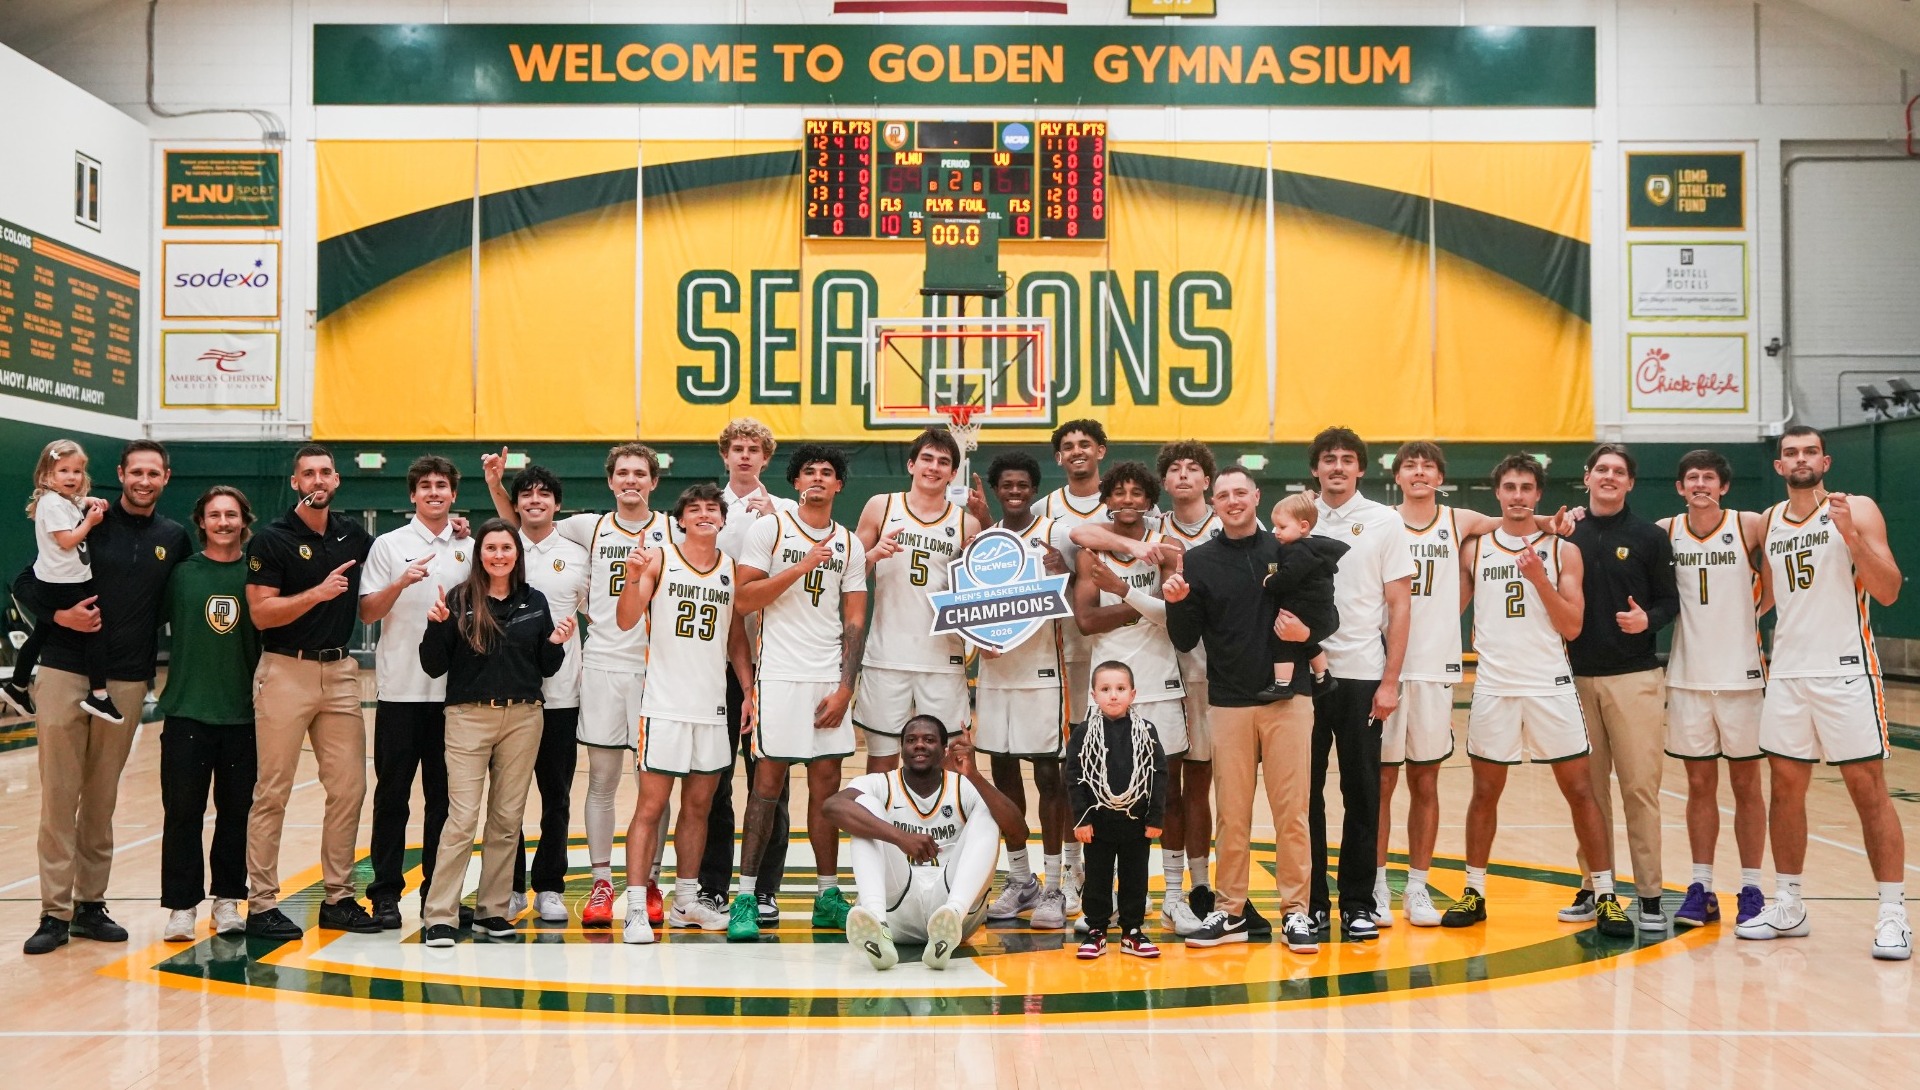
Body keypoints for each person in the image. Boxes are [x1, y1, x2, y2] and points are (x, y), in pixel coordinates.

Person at [1374, 442, 1569, 928]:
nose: (1419, 473)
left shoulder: (1459, 521)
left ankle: (1417, 887)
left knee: (1426, 780)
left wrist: (1552, 524)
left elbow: (1515, 521)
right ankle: (1376, 886)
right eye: (1410, 466)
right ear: (1397, 476)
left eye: (1428, 467)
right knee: (1379, 784)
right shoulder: (1379, 522)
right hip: (1383, 667)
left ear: (1440, 477)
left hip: (1437, 669)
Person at [485, 442, 675, 929]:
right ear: (610, 482)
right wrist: (494, 488)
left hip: (660, 670)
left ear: (654, 482)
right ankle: (601, 882)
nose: (631, 480)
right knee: (602, 782)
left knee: (654, 786)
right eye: (622, 473)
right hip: (602, 666)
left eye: (640, 473)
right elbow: (522, 525)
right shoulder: (587, 527)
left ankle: (651, 878)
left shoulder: (673, 530)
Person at [1739, 426, 1909, 960]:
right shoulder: (1769, 521)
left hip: (1846, 671)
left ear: (1826, 460)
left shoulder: (1855, 508)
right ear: (1779, 466)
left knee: (1867, 788)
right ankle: (1789, 904)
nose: (1800, 459)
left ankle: (1892, 914)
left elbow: (1888, 589)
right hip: (1788, 673)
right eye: (1790, 452)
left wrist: (1851, 537)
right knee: (1786, 789)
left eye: (1810, 451)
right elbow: (1762, 599)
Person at [1446, 453, 1632, 939]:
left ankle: (1607, 894)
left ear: (1538, 495)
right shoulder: (1476, 549)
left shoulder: (1561, 551)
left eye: (1527, 487)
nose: (1518, 496)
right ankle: (1474, 891)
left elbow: (1571, 625)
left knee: (1580, 792)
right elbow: (1449, 612)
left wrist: (1538, 579)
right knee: (1485, 793)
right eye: (1509, 487)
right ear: (1498, 494)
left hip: (1550, 684)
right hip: (1494, 686)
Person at [20, 440, 189, 956]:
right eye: (135, 471)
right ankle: (55, 911)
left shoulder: (174, 537)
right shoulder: (86, 516)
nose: (143, 480)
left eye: (152, 472)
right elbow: (27, 582)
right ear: (121, 474)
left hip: (127, 680)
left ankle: (91, 904)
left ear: (165, 478)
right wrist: (58, 617)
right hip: (64, 671)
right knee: (58, 795)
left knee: (101, 797)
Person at [1164, 465, 1318, 953]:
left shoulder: (1289, 552)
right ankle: (1230, 912)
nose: (1232, 501)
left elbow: (1325, 611)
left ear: (1257, 496)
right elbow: (1186, 637)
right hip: (1229, 702)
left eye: (1241, 493)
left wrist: (1308, 635)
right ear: (1214, 502)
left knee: (1292, 812)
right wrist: (1176, 602)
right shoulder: (1199, 561)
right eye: (1223, 494)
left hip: (1289, 701)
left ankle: (1296, 913)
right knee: (1232, 814)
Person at [728, 445, 869, 940]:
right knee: (766, 787)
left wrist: (846, 686)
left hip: (827, 677)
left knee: (826, 787)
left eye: (827, 473)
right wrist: (801, 565)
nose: (817, 478)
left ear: (839, 487)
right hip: (779, 676)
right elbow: (743, 600)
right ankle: (744, 897)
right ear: (795, 482)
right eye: (808, 471)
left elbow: (854, 618)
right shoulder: (770, 530)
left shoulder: (849, 543)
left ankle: (827, 894)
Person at [242, 444, 377, 941]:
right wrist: (317, 593)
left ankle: (338, 898)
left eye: (325, 472)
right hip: (285, 670)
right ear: (296, 482)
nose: (317, 480)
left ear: (336, 481)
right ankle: (260, 905)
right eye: (308, 474)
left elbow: (373, 595)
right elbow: (261, 614)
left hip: (340, 672)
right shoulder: (272, 540)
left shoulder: (353, 536)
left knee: (349, 788)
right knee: (272, 791)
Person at [419, 520, 571, 946]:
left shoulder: (534, 601)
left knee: (506, 821)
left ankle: (492, 911)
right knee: (462, 818)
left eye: (507, 547)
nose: (499, 554)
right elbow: (434, 665)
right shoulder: (459, 599)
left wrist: (556, 642)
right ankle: (441, 915)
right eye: (491, 547)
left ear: (517, 555)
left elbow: (544, 666)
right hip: (468, 717)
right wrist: (436, 625)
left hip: (523, 718)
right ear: (479, 554)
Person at [613, 484, 752, 942]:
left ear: (722, 520)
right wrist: (633, 578)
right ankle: (635, 906)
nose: (705, 515)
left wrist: (748, 691)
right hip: (664, 705)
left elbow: (735, 639)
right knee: (651, 806)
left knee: (700, 807)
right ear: (682, 520)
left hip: (712, 708)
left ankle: (686, 901)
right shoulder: (659, 557)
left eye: (713, 509)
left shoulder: (731, 569)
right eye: (695, 509)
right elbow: (627, 619)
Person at [1562, 444, 1679, 933]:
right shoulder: (1566, 532)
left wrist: (1646, 619)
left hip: (1634, 679)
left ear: (1630, 483)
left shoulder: (1650, 537)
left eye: (1619, 472)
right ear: (1587, 477)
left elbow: (1670, 601)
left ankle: (1650, 895)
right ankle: (1594, 886)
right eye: (1601, 470)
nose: (1609, 477)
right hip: (1575, 680)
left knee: (1638, 789)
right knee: (1588, 792)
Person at [1305, 427, 1412, 943]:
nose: (1338, 467)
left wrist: (1390, 681)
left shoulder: (1385, 521)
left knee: (1362, 792)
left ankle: (1357, 903)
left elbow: (1399, 605)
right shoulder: (1298, 518)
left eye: (1348, 460)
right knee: (1304, 796)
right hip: (1305, 677)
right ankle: (1312, 903)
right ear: (1316, 469)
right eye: (1329, 460)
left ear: (1361, 469)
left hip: (1364, 675)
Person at [1071, 462, 1187, 933]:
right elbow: (1085, 622)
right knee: (1098, 791)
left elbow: (1175, 620)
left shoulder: (1169, 548)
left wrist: (1120, 594)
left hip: (1159, 682)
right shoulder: (1091, 549)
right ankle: (1097, 900)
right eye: (1118, 492)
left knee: (1167, 794)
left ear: (1150, 499)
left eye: (1137, 493)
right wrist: (1143, 606)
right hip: (1106, 687)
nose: (1127, 500)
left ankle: (1175, 895)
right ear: (1107, 498)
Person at [1658, 449, 1770, 929]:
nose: (1700, 483)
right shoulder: (1666, 529)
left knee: (1747, 785)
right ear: (1680, 488)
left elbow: (1776, 578)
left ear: (1724, 486)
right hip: (1687, 676)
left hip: (1742, 677)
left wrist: (1749, 618)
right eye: (1691, 478)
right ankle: (1700, 886)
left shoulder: (1748, 525)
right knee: (1698, 785)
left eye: (1709, 477)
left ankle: (1751, 886)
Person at [359, 456, 471, 929]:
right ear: (412, 495)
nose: (433, 493)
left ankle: (437, 894)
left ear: (453, 495)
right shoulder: (389, 545)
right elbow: (366, 613)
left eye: (441, 486)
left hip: (454, 695)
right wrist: (400, 583)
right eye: (424, 486)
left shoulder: (469, 545)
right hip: (401, 692)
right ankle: (385, 893)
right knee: (392, 798)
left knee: (444, 802)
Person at [829, 716, 1025, 971]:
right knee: (863, 807)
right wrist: (900, 838)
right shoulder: (882, 783)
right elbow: (832, 806)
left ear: (945, 750)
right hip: (897, 905)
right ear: (902, 750)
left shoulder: (963, 785)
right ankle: (877, 926)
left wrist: (975, 775)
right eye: (911, 740)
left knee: (989, 810)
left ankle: (951, 918)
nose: (919, 745)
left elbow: (1019, 832)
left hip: (955, 906)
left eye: (929, 740)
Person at [701, 418, 797, 924]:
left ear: (766, 458)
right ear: (724, 455)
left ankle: (764, 887)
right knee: (714, 781)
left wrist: (773, 521)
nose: (744, 455)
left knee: (770, 781)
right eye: (736, 448)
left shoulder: (787, 511)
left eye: (753, 449)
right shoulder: (702, 510)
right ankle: (715, 885)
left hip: (774, 660)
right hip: (713, 663)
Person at [158, 486, 260, 943]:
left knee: (236, 813)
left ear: (244, 521)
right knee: (182, 811)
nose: (223, 522)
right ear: (201, 521)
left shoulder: (258, 574)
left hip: (244, 715)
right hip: (187, 710)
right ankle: (182, 906)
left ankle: (226, 900)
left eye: (231, 515)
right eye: (215, 515)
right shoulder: (180, 574)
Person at [977, 452, 1073, 931]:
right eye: (1006, 484)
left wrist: (1064, 571)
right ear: (997, 489)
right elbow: (967, 603)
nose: (1015, 491)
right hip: (995, 675)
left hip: (1042, 673)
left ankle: (1055, 885)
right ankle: (1021, 880)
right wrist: (977, 634)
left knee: (1050, 779)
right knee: (1002, 776)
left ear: (1034, 489)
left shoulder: (1054, 532)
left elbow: (1073, 599)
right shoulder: (983, 540)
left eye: (1023, 484)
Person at [853, 427, 979, 777]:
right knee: (880, 760)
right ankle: (878, 832)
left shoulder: (967, 524)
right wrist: (873, 555)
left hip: (942, 657)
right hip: (886, 656)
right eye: (926, 458)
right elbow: (848, 578)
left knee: (954, 759)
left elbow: (976, 597)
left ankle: (952, 831)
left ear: (954, 473)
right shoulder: (881, 506)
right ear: (911, 464)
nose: (933, 467)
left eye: (943, 462)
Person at [1032, 418, 1115, 916]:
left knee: (1113, 766)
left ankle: (1109, 873)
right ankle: (1069, 870)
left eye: (1085, 444)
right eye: (1068, 447)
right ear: (1059, 458)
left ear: (1100, 450)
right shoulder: (1045, 510)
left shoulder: (1127, 503)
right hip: (1063, 652)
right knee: (1068, 769)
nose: (1077, 451)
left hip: (1118, 651)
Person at [503, 465, 589, 925]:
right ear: (515, 504)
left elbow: (605, 609)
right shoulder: (500, 548)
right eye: (526, 494)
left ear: (557, 503)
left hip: (561, 695)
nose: (535, 500)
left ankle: (550, 886)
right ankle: (511, 886)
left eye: (544, 494)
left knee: (555, 796)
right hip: (511, 692)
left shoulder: (577, 553)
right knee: (509, 797)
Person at [7, 439, 120, 722]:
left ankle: (17, 686)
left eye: (77, 471)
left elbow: (74, 504)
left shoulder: (64, 501)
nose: (71, 477)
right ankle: (99, 695)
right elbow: (68, 540)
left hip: (61, 579)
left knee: (42, 633)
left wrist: (89, 502)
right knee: (94, 627)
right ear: (47, 476)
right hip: (61, 583)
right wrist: (90, 522)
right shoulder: (52, 503)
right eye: (63, 471)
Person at [1067, 661, 1168, 960]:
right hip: (1098, 825)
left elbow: (1158, 774)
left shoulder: (1146, 731)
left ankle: (1132, 932)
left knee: (1135, 878)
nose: (1113, 695)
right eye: (1106, 689)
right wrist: (1082, 819)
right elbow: (1074, 777)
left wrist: (1156, 818)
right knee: (1097, 878)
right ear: (1094, 695)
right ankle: (1096, 930)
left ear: (1133, 694)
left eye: (1121, 689)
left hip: (1136, 824)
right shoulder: (1084, 733)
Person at [1258, 492, 1347, 701]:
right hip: (1319, 608)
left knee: (1283, 638)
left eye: (1282, 527)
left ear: (1303, 526)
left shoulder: (1299, 551)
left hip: (1308, 606)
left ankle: (1282, 685)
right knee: (1306, 642)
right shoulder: (1315, 549)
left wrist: (1269, 582)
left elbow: (1289, 577)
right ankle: (1323, 677)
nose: (1276, 532)